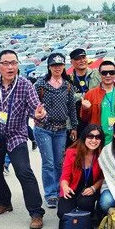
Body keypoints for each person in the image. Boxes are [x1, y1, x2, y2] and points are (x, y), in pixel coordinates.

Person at [0, 49, 47, 229]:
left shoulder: (25, 85)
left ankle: (36, 212)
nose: (10, 67)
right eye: (6, 63)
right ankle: (4, 201)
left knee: (24, 172)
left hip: (16, 135)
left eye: (13, 63)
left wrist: (39, 114)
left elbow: (34, 107)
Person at [33, 53, 79, 209]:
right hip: (43, 128)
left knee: (60, 162)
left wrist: (74, 127)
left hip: (61, 129)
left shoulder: (68, 85)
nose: (57, 68)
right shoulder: (40, 84)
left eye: (60, 65)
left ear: (64, 66)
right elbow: (32, 104)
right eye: (54, 65)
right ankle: (50, 194)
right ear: (49, 67)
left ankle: (61, 189)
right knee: (48, 163)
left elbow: (72, 108)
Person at [57, 124, 104, 229]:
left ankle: (93, 214)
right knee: (63, 213)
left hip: (90, 190)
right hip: (72, 189)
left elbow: (103, 178)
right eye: (90, 136)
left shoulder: (102, 154)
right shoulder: (72, 152)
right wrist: (65, 187)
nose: (94, 140)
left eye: (97, 137)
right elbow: (65, 176)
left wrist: (93, 188)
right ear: (84, 137)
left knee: (85, 204)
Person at [79, 60, 115, 145]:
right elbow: (84, 118)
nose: (108, 75)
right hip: (97, 138)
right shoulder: (90, 94)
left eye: (111, 72)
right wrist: (85, 109)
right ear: (100, 74)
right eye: (104, 73)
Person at [68, 48, 100, 135]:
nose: (82, 61)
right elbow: (68, 98)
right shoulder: (68, 79)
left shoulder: (97, 74)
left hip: (95, 116)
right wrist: (87, 95)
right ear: (71, 62)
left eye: (83, 57)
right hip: (77, 119)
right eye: (78, 59)